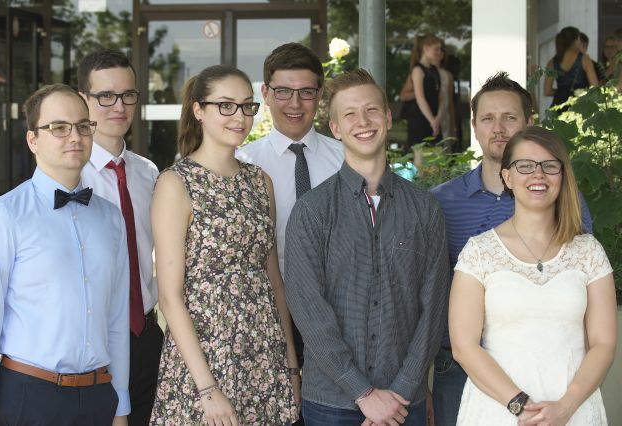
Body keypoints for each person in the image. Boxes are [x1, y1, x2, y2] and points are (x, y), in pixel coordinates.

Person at [284, 68, 449, 426]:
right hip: (331, 405)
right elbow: (309, 311)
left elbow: (434, 308)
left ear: (387, 118)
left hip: (404, 403)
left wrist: (401, 390)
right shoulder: (311, 211)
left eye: (372, 110)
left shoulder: (425, 209)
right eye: (350, 114)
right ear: (335, 128)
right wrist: (363, 393)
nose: (363, 121)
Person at [430, 71, 593, 426]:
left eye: (509, 117)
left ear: (529, 123)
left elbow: (583, 282)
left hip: (550, 369)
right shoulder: (440, 203)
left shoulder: (563, 200)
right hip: (458, 366)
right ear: (474, 126)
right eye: (488, 118)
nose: (498, 128)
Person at [150, 65, 298, 426]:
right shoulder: (175, 183)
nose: (240, 116)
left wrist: (291, 366)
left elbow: (274, 282)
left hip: (263, 356)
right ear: (199, 110)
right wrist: (207, 388)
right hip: (204, 359)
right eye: (226, 105)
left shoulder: (260, 181)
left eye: (247, 106)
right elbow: (170, 297)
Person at [0, 83, 130, 426]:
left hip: (99, 395)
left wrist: (120, 403)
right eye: (59, 127)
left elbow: (117, 318)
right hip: (29, 396)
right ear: (33, 140)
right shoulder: (2, 215)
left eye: (82, 126)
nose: (74, 137)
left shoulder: (111, 217)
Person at [450, 126, 616, 425]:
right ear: (507, 177)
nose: (538, 174)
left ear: (562, 176)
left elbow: (603, 342)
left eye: (549, 166)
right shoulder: (479, 252)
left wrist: (565, 407)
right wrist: (520, 405)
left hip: (574, 410)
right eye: (525, 165)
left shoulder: (588, 251)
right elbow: (464, 346)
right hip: (499, 411)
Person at [236, 42, 344, 406]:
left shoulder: (347, 159)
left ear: (320, 94)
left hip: (338, 316)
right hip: (268, 317)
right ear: (265, 93)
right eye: (283, 91)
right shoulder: (243, 164)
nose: (295, 103)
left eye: (306, 92)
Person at [78, 49, 163, 426]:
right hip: (91, 339)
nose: (119, 106)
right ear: (83, 99)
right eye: (105, 96)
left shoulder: (148, 173)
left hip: (146, 334)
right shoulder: (70, 176)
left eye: (128, 95)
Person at [401, 34, 444, 149]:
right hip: (420, 118)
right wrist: (432, 121)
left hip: (433, 117)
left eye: (440, 49)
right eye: (436, 49)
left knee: (436, 152)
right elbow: (420, 97)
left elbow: (441, 97)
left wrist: (437, 119)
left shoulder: (434, 70)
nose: (439, 52)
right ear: (426, 48)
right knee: (420, 152)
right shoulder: (418, 70)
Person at [544, 26, 599, 109]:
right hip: (580, 105)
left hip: (559, 106)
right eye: (579, 39)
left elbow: (547, 91)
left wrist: (562, 91)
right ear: (575, 41)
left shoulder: (552, 62)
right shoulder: (584, 59)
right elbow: (595, 87)